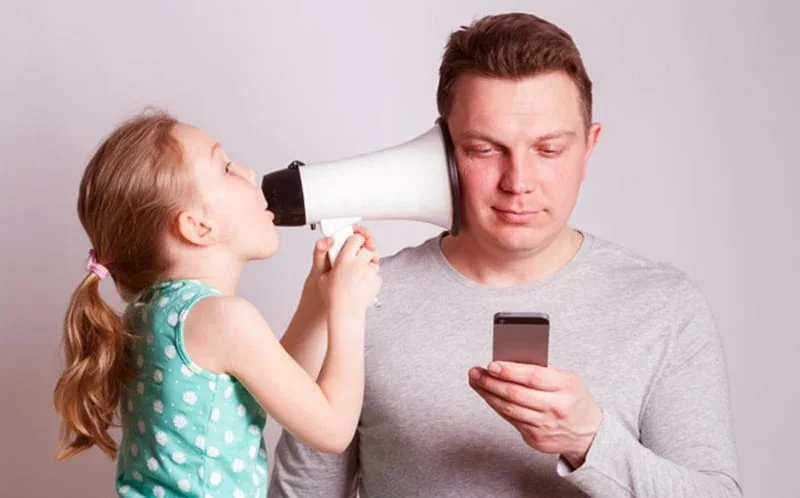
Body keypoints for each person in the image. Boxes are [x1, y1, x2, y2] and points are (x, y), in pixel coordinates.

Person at [268, 12, 743, 497]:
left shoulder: (664, 306)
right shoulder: (359, 300)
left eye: (549, 150)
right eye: (484, 149)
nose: (518, 182)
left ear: (589, 146)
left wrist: (589, 441)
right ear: (445, 150)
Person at [52, 110, 382, 498]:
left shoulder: (152, 314)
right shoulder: (222, 319)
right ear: (198, 227)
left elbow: (277, 388)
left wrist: (319, 302)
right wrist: (348, 312)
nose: (249, 171)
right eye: (225, 167)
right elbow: (333, 429)